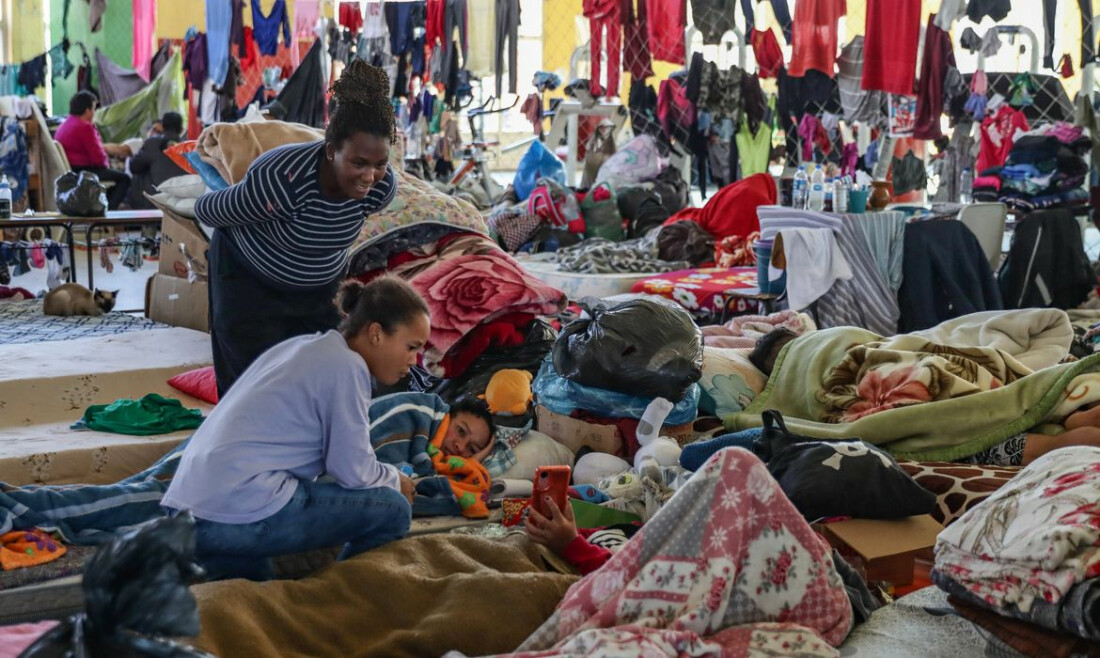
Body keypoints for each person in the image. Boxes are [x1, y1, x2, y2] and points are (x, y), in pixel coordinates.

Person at [161, 276, 429, 582]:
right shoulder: (347, 367)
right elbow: (352, 470)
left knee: (255, 591)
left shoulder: (303, 347)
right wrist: (395, 479)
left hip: (189, 511)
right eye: (411, 347)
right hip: (231, 514)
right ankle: (335, 598)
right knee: (391, 507)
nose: (413, 361)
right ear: (376, 334)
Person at [194, 60, 399, 397]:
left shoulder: (380, 188)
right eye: (358, 163)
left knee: (322, 380)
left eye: (379, 164)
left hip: (318, 289)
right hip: (249, 280)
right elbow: (209, 210)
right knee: (250, 389)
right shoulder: (283, 179)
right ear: (332, 151)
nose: (369, 176)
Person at [54, 90, 132, 210]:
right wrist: (108, 164)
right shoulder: (84, 127)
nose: (94, 113)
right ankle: (107, 212)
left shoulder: (64, 125)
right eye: (94, 109)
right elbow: (99, 159)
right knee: (125, 178)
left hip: (71, 171)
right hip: (84, 172)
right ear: (87, 110)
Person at [128, 112, 187, 209]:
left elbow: (134, 166)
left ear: (162, 127)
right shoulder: (187, 147)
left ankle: (138, 213)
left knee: (140, 171)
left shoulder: (152, 143)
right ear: (181, 129)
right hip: (182, 198)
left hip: (155, 199)